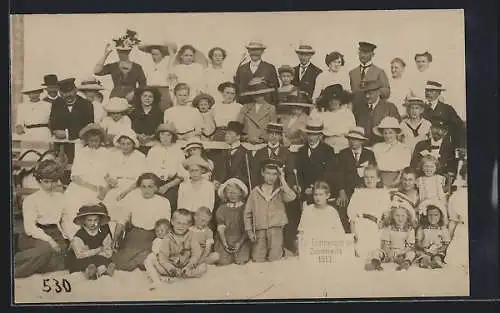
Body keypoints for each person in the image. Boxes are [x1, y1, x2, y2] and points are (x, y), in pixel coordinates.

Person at [14, 160, 68, 278]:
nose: (50, 185)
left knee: (61, 259)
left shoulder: (61, 198)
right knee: (45, 250)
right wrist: (50, 240)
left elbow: (65, 222)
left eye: (53, 181)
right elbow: (30, 228)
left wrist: (72, 238)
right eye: (46, 181)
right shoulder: (31, 200)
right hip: (34, 235)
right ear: (39, 181)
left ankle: (38, 264)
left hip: (55, 233)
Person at [113, 173, 172, 271]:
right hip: (136, 235)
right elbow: (121, 220)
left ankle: (144, 259)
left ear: (156, 188)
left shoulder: (164, 202)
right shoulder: (133, 198)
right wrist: (115, 238)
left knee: (155, 253)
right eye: (143, 187)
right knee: (122, 260)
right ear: (139, 187)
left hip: (155, 235)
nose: (146, 190)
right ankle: (141, 260)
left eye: (150, 186)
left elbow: (165, 225)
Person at [63, 123, 110, 239]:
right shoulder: (81, 152)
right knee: (72, 203)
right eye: (91, 141)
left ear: (101, 140)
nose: (94, 143)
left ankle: (97, 236)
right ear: (87, 140)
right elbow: (75, 176)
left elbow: (109, 173)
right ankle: (74, 237)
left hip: (101, 185)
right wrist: (92, 187)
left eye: (96, 141)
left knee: (107, 202)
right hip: (82, 184)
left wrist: (105, 188)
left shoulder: (105, 152)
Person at [244, 159, 296, 262]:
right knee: (258, 258)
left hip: (276, 228)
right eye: (268, 173)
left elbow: (292, 197)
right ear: (262, 173)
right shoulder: (255, 191)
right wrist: (249, 230)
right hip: (260, 229)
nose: (271, 177)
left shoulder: (280, 190)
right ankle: (279, 251)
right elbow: (247, 213)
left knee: (274, 258)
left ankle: (282, 251)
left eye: (275, 174)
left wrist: (282, 179)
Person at [336, 127, 377, 230]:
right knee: (345, 213)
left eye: (356, 139)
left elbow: (373, 172)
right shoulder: (343, 154)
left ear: (362, 141)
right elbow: (339, 174)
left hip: (364, 190)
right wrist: (342, 191)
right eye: (350, 139)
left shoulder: (369, 154)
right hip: (347, 190)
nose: (352, 142)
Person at [102, 129, 146, 224]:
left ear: (133, 144)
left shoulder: (140, 157)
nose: (125, 147)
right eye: (123, 144)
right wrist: (110, 181)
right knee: (109, 201)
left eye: (128, 144)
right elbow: (107, 172)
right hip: (116, 185)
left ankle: (124, 230)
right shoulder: (114, 155)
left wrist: (125, 192)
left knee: (126, 204)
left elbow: (140, 179)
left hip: (133, 187)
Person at [347, 165, 392, 258]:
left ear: (378, 178)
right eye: (366, 177)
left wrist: (384, 222)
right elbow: (352, 216)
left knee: (373, 254)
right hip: (360, 225)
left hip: (375, 227)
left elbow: (387, 214)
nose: (369, 180)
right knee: (359, 253)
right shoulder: (358, 192)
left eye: (372, 177)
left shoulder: (383, 193)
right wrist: (353, 233)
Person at [49, 78, 95, 167]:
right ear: (60, 93)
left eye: (70, 92)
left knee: (79, 167)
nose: (68, 95)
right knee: (61, 169)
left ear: (75, 90)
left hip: (80, 144)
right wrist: (56, 132)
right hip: (61, 145)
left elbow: (88, 126)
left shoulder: (86, 104)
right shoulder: (56, 103)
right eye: (64, 93)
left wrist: (67, 133)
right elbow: (53, 124)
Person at [294, 118, 338, 204]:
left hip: (321, 192)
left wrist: (314, 188)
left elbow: (329, 173)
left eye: (314, 135)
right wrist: (301, 187)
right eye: (309, 134)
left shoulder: (328, 151)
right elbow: (298, 172)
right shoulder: (301, 150)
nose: (311, 137)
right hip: (304, 193)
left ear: (320, 136)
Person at [66, 204, 115, 279]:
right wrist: (97, 250)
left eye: (96, 220)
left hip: (95, 256)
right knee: (84, 261)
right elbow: (79, 254)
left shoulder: (104, 234)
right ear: (83, 221)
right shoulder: (79, 235)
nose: (93, 223)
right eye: (89, 220)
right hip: (80, 258)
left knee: (103, 259)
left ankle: (103, 271)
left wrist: (101, 253)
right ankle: (90, 271)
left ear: (100, 221)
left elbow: (108, 251)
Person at [297, 181, 345, 257]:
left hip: (328, 248)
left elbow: (340, 233)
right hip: (311, 248)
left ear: (327, 195)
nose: (318, 197)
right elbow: (301, 232)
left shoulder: (332, 211)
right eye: (315, 195)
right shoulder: (307, 210)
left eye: (321, 194)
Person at [157, 209, 208, 279]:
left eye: (185, 223)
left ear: (189, 225)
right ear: (172, 222)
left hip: (187, 265)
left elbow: (196, 253)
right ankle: (174, 273)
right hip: (172, 265)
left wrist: (189, 266)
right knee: (154, 262)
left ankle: (187, 274)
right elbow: (163, 257)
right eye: (178, 223)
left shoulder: (192, 235)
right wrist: (171, 268)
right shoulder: (167, 237)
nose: (181, 226)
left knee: (203, 267)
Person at [93, 34, 146, 101]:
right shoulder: (113, 66)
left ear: (129, 51)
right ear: (117, 51)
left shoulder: (137, 67)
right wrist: (106, 54)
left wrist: (134, 93)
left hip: (132, 98)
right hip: (115, 98)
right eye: (119, 51)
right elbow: (96, 71)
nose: (122, 54)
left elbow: (143, 85)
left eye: (125, 51)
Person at [145, 123, 185, 211]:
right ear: (158, 136)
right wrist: (154, 186)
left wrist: (167, 186)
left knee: (168, 204)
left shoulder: (178, 152)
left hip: (171, 185)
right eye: (162, 134)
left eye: (168, 135)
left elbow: (182, 175)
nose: (165, 137)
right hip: (154, 184)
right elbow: (147, 172)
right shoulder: (153, 151)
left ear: (172, 136)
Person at [365, 205, 416, 271]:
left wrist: (400, 253)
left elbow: (409, 247)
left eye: (403, 216)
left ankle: (405, 264)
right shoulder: (388, 228)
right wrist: (389, 253)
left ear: (407, 217)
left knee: (411, 253)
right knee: (377, 252)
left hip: (402, 254)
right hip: (389, 252)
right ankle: (375, 263)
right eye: (397, 216)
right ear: (393, 217)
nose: (400, 219)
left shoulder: (410, 230)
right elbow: (385, 245)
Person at [214, 178, 251, 266]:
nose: (232, 195)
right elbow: (221, 228)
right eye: (229, 192)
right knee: (223, 261)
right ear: (225, 194)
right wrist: (225, 243)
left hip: (241, 238)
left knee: (241, 260)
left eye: (235, 192)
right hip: (225, 238)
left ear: (241, 193)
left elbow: (247, 228)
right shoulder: (221, 209)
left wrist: (239, 243)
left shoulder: (246, 208)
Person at [352, 80, 401, 145]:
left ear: (378, 92)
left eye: (370, 93)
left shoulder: (390, 107)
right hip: (364, 148)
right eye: (365, 93)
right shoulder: (359, 109)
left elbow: (396, 130)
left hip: (384, 147)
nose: (367, 96)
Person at [422, 80, 466, 149]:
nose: (428, 93)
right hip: (425, 145)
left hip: (444, 147)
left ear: (438, 93)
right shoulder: (420, 108)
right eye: (427, 90)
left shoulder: (447, 109)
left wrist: (458, 147)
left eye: (431, 91)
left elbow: (459, 127)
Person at [234, 39, 279, 105]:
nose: (254, 53)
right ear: (248, 51)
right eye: (252, 50)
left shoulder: (270, 68)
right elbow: (237, 89)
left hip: (264, 107)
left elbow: (275, 88)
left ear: (262, 51)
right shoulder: (241, 69)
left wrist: (264, 82)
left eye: (257, 50)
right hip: (245, 106)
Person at [371, 117, 412, 188]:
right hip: (379, 179)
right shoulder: (377, 147)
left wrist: (398, 180)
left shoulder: (403, 148)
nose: (388, 135)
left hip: (398, 179)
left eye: (390, 133)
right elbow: (373, 165)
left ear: (396, 133)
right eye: (385, 133)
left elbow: (405, 168)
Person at [137, 41, 177, 111]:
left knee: (163, 109)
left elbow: (172, 58)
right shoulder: (148, 65)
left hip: (163, 91)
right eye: (152, 54)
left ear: (162, 54)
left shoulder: (167, 64)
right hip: (150, 91)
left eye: (156, 54)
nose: (154, 56)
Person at [211, 121, 252, 189]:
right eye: (226, 133)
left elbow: (249, 177)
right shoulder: (222, 152)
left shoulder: (246, 153)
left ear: (238, 136)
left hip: (238, 188)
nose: (226, 136)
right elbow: (218, 171)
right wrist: (216, 180)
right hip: (223, 188)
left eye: (229, 134)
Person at [316, 84, 356, 153]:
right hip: (327, 143)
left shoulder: (347, 113)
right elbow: (318, 133)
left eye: (336, 99)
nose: (333, 102)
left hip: (344, 143)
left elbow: (353, 131)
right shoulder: (322, 114)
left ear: (341, 100)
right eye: (330, 100)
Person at [236, 77, 277, 144]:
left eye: (260, 94)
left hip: (263, 142)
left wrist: (263, 139)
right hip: (247, 142)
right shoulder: (245, 107)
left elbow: (273, 130)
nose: (257, 97)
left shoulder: (271, 108)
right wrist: (244, 137)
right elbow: (238, 126)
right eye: (255, 94)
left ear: (264, 94)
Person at [415, 199, 451, 269]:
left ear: (441, 216)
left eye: (436, 215)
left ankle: (436, 262)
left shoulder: (443, 229)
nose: (433, 218)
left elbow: (446, 244)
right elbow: (418, 242)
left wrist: (437, 250)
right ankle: (425, 261)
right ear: (426, 215)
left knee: (437, 257)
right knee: (423, 256)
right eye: (430, 215)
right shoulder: (422, 228)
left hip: (437, 250)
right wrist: (424, 248)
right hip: (424, 250)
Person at [446, 160, 468, 269]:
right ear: (464, 177)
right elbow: (453, 221)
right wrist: (448, 240)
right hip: (463, 233)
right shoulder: (457, 196)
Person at [129, 86, 165, 154]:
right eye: (145, 96)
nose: (147, 99)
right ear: (140, 97)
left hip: (153, 144)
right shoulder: (133, 112)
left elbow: (161, 128)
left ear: (154, 99)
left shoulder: (159, 113)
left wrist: (151, 137)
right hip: (136, 143)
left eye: (150, 97)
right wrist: (137, 136)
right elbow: (130, 128)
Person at [144, 218, 171, 290]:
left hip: (169, 265)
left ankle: (163, 278)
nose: (159, 232)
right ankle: (157, 280)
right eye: (157, 231)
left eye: (162, 230)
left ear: (168, 231)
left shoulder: (171, 240)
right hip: (159, 263)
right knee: (148, 259)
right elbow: (156, 252)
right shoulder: (156, 240)